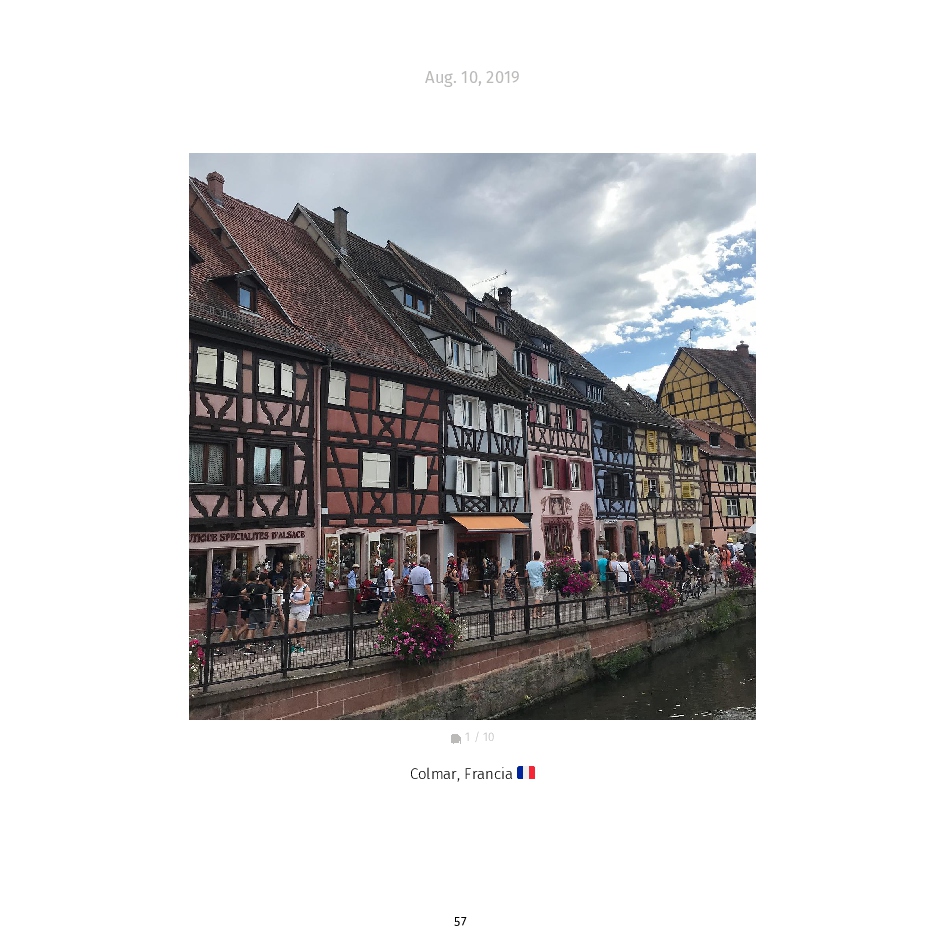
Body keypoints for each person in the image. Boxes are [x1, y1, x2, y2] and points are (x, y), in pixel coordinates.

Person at [217, 569, 245, 645]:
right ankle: (218, 647)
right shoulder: (237, 585)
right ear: (239, 576)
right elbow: (242, 593)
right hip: (233, 608)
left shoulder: (225, 583)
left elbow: (218, 595)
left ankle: (236, 643)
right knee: (229, 627)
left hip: (226, 607)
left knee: (233, 626)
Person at [287, 572, 311, 654]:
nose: (294, 582)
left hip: (303, 610)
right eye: (293, 580)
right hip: (293, 610)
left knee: (300, 629)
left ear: (300, 579)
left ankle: (302, 645)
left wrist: (298, 602)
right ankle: (294, 644)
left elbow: (307, 600)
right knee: (290, 628)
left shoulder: (306, 588)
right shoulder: (295, 588)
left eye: (295, 580)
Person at [525, 551, 546, 621]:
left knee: (538, 598)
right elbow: (544, 574)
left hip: (532, 583)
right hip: (539, 583)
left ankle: (541, 612)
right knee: (538, 599)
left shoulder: (528, 564)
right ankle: (534, 613)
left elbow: (526, 575)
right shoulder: (541, 564)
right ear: (539, 557)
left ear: (533, 556)